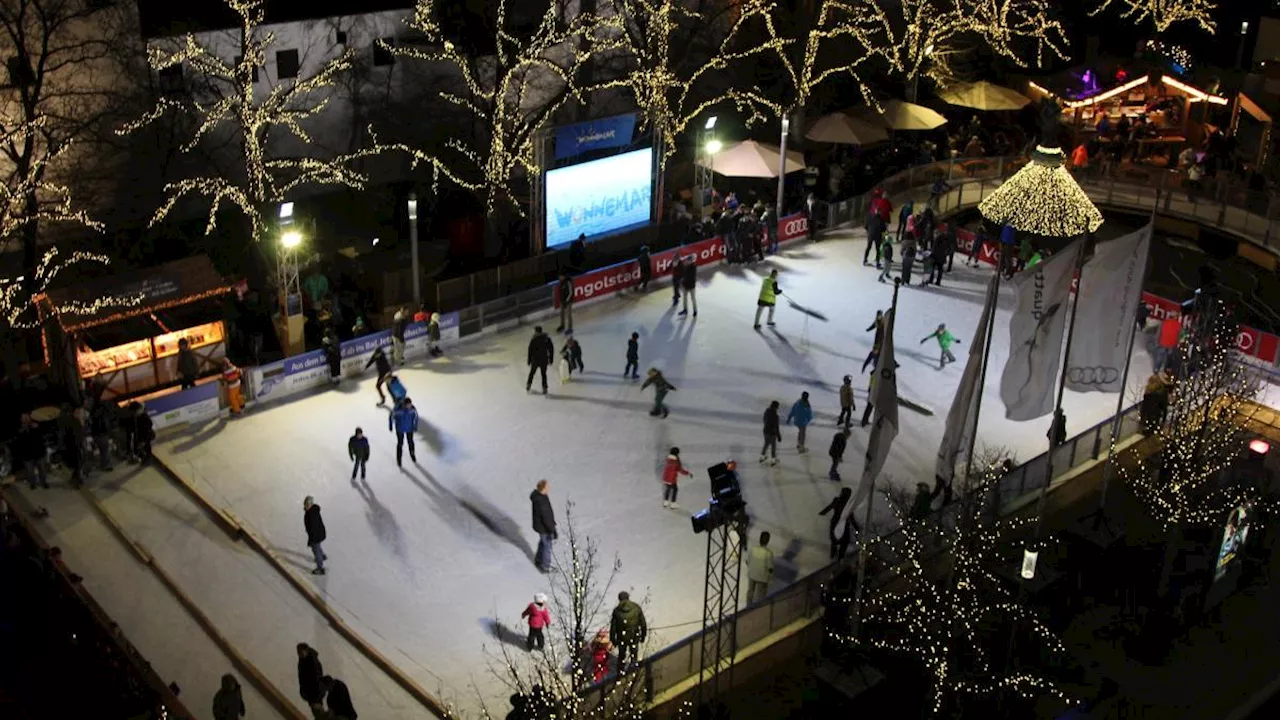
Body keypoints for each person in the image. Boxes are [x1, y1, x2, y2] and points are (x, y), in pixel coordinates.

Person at [609, 591, 647, 670]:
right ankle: (634, 672)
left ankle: (620, 673)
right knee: (634, 654)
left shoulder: (616, 611)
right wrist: (643, 636)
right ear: (628, 597)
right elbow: (643, 624)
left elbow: (613, 628)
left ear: (619, 599)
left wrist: (613, 640)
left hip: (622, 638)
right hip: (634, 636)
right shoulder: (636, 608)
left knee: (622, 656)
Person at [16, 414, 49, 490]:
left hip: (39, 454)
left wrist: (38, 428)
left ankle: (43, 483)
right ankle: (32, 484)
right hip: (27, 456)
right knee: (30, 472)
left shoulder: (36, 425)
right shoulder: (20, 429)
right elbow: (19, 439)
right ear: (21, 420)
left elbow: (43, 435)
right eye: (24, 418)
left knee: (43, 470)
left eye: (27, 417)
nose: (26, 419)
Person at [531, 479, 556, 572]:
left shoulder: (539, 496)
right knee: (547, 546)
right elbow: (546, 517)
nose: (549, 487)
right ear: (543, 488)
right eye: (547, 486)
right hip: (544, 527)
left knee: (543, 543)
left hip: (540, 526)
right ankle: (546, 566)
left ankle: (538, 560)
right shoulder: (541, 500)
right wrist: (552, 529)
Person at [818, 488, 852, 559]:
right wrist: (856, 526)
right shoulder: (848, 504)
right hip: (842, 524)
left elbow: (829, 507)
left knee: (834, 541)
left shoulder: (837, 500)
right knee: (844, 541)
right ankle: (840, 557)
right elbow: (851, 516)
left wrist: (822, 513)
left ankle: (833, 556)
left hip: (835, 523)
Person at [746, 532, 775, 604]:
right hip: (762, 577)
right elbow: (770, 568)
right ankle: (758, 607)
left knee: (750, 591)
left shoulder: (753, 549)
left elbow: (747, 561)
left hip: (752, 574)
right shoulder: (769, 553)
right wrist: (770, 578)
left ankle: (748, 605)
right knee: (760, 593)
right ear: (768, 541)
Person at [389, 398, 418, 467]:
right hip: (400, 429)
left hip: (409, 428)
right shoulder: (398, 409)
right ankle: (399, 459)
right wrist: (390, 425)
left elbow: (416, 417)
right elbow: (391, 416)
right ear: (404, 405)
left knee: (410, 442)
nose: (409, 406)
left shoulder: (412, 409)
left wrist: (415, 426)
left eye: (410, 404)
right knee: (400, 443)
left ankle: (412, 454)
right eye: (408, 405)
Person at [526, 326, 555, 395]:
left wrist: (529, 360)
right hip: (544, 359)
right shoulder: (546, 338)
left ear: (536, 331)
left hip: (535, 360)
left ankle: (528, 385)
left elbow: (530, 351)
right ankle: (544, 388)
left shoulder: (534, 339)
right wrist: (551, 358)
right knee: (543, 374)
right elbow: (551, 349)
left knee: (532, 373)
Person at [303, 497, 327, 575]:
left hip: (315, 536)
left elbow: (313, 528)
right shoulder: (312, 511)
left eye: (307, 505)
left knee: (315, 550)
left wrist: (311, 539)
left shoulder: (311, 514)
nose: (306, 506)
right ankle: (322, 556)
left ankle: (320, 568)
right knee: (318, 547)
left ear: (311, 504)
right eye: (305, 504)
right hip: (319, 534)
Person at [88, 399, 114, 471]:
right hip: (102, 434)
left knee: (103, 449)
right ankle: (105, 464)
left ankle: (104, 464)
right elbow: (106, 425)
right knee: (105, 450)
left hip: (96, 434)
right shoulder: (103, 414)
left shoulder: (93, 413)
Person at [760, 400, 781, 465]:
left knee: (766, 444)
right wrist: (779, 436)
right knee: (773, 446)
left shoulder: (766, 412)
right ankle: (773, 459)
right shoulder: (775, 416)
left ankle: (762, 457)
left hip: (765, 431)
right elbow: (776, 427)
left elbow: (764, 420)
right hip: (772, 433)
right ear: (776, 407)